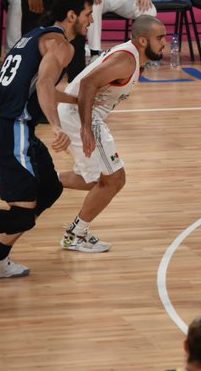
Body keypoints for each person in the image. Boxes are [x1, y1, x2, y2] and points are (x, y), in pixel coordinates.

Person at [0, 0, 93, 279]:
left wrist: (74, 100)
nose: (92, 21)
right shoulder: (62, 45)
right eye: (88, 14)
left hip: (8, 125)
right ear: (72, 15)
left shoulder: (34, 37)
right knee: (22, 214)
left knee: (49, 188)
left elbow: (33, 87)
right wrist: (56, 125)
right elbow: (46, 84)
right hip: (13, 128)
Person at [58, 15, 166, 252]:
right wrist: (86, 128)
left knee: (95, 180)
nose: (165, 42)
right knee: (115, 179)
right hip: (80, 115)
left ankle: (40, 181)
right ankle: (75, 235)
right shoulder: (126, 60)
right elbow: (87, 84)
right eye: (160, 38)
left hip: (78, 113)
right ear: (142, 41)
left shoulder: (135, 60)